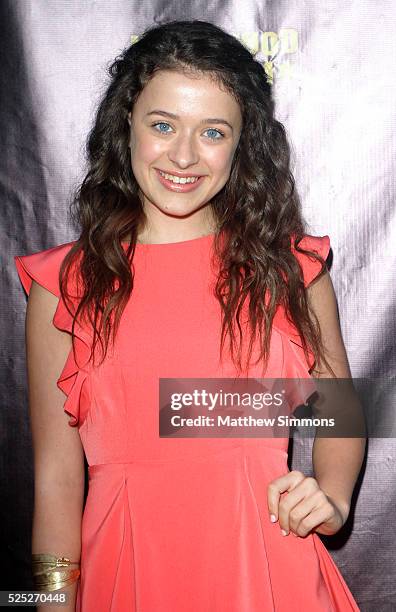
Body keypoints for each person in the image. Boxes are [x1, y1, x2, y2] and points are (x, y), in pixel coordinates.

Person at [14, 20, 365, 612]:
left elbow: (340, 407)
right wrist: (41, 606)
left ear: (242, 142)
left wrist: (333, 498)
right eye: (162, 125)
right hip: (123, 572)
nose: (183, 154)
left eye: (213, 132)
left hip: (267, 569)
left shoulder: (292, 270)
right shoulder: (62, 285)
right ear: (125, 125)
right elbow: (54, 478)